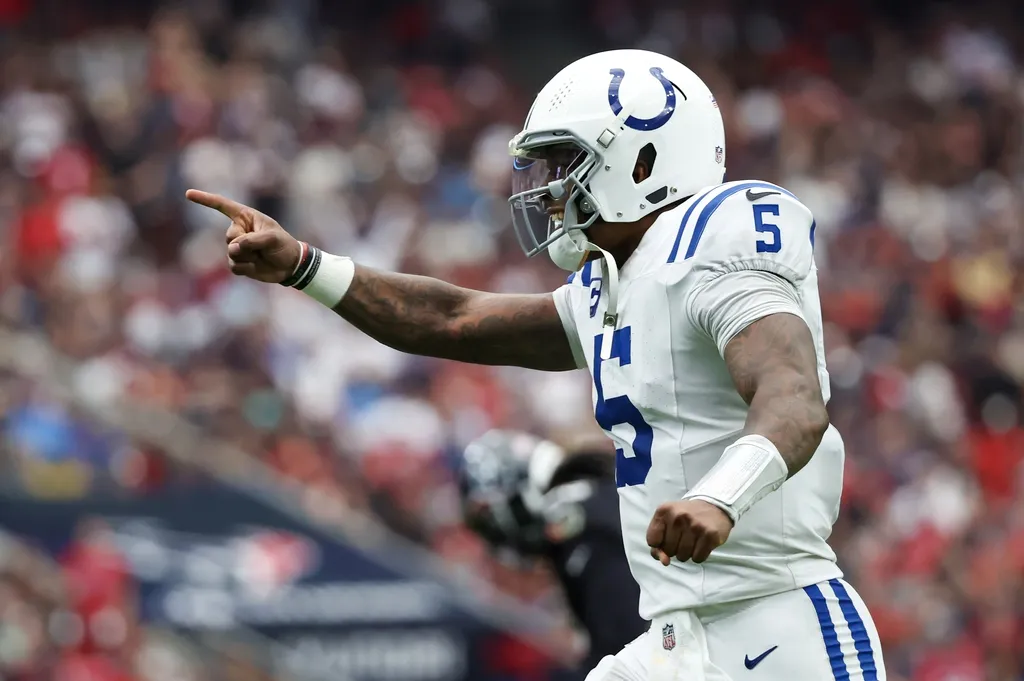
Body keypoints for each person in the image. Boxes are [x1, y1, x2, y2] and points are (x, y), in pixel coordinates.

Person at [188, 48, 885, 681]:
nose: (550, 189)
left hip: (781, 628)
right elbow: (452, 319)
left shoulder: (715, 243)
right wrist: (306, 267)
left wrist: (719, 495)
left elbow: (794, 398)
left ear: (642, 163)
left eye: (568, 163)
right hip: (675, 642)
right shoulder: (620, 279)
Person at [458, 430, 647, 676]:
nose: (494, 530)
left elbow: (621, 643)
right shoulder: (596, 499)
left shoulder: (584, 530)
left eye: (489, 516)